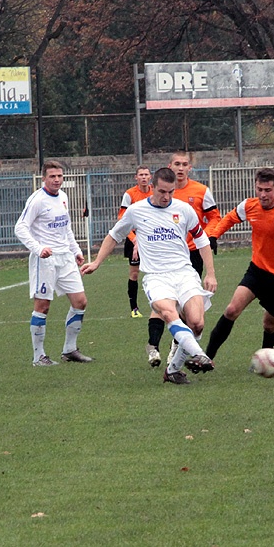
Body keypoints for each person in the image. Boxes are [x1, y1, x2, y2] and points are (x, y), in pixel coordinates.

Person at [82, 167, 216, 384]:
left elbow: (202, 241)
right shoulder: (136, 211)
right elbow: (114, 235)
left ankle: (172, 371)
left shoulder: (184, 209)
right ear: (152, 187)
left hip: (184, 273)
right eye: (162, 191)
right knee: (168, 312)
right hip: (156, 276)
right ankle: (200, 355)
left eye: (171, 192)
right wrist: (97, 262)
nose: (166, 197)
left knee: (197, 323)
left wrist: (210, 274)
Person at [199, 168, 274, 366]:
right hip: (257, 271)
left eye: (268, 190)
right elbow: (229, 218)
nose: (263, 194)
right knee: (231, 310)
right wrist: (214, 236)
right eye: (259, 189)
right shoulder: (249, 206)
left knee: (269, 325)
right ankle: (207, 358)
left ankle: (265, 359)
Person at [146, 151, 221, 368]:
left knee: (189, 308)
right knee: (166, 303)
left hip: (192, 254)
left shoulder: (200, 191)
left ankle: (177, 345)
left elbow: (214, 217)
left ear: (190, 167)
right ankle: (155, 345)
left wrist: (208, 235)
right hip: (164, 255)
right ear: (169, 166)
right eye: (176, 164)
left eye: (184, 164)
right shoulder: (162, 190)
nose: (180, 168)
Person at [14, 160, 93, 366]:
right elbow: (20, 227)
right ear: (43, 178)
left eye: (59, 176)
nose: (57, 180)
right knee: (43, 306)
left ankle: (70, 349)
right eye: (52, 176)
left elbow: (65, 227)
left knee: (80, 302)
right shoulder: (37, 200)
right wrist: (39, 249)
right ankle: (38, 356)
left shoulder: (63, 197)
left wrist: (75, 250)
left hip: (65, 257)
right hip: (45, 261)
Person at [118, 165, 152, 319]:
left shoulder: (155, 192)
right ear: (136, 177)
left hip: (152, 238)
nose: (144, 177)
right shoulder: (130, 194)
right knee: (134, 274)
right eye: (141, 175)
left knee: (157, 270)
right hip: (134, 239)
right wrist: (133, 238)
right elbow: (122, 219)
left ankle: (159, 303)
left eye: (146, 174)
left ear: (150, 177)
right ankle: (134, 308)